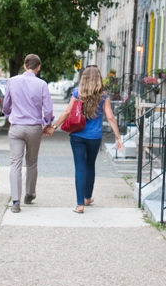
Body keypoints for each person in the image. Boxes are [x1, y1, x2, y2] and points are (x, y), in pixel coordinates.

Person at [50, 65, 123, 213]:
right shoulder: (104, 96)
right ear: (98, 79)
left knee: (80, 167)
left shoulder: (78, 93)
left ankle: (80, 204)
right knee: (90, 165)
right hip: (94, 137)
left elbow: (67, 111)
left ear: (84, 78)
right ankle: (87, 197)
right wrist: (118, 136)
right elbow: (110, 117)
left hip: (77, 135)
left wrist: (54, 127)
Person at [2, 54, 54, 213]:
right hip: (33, 127)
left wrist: (9, 115)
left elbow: (6, 105)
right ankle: (29, 194)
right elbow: (49, 109)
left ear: (25, 66)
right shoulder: (42, 84)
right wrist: (47, 123)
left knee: (15, 163)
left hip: (17, 126)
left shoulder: (12, 81)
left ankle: (16, 201)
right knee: (32, 161)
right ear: (38, 67)